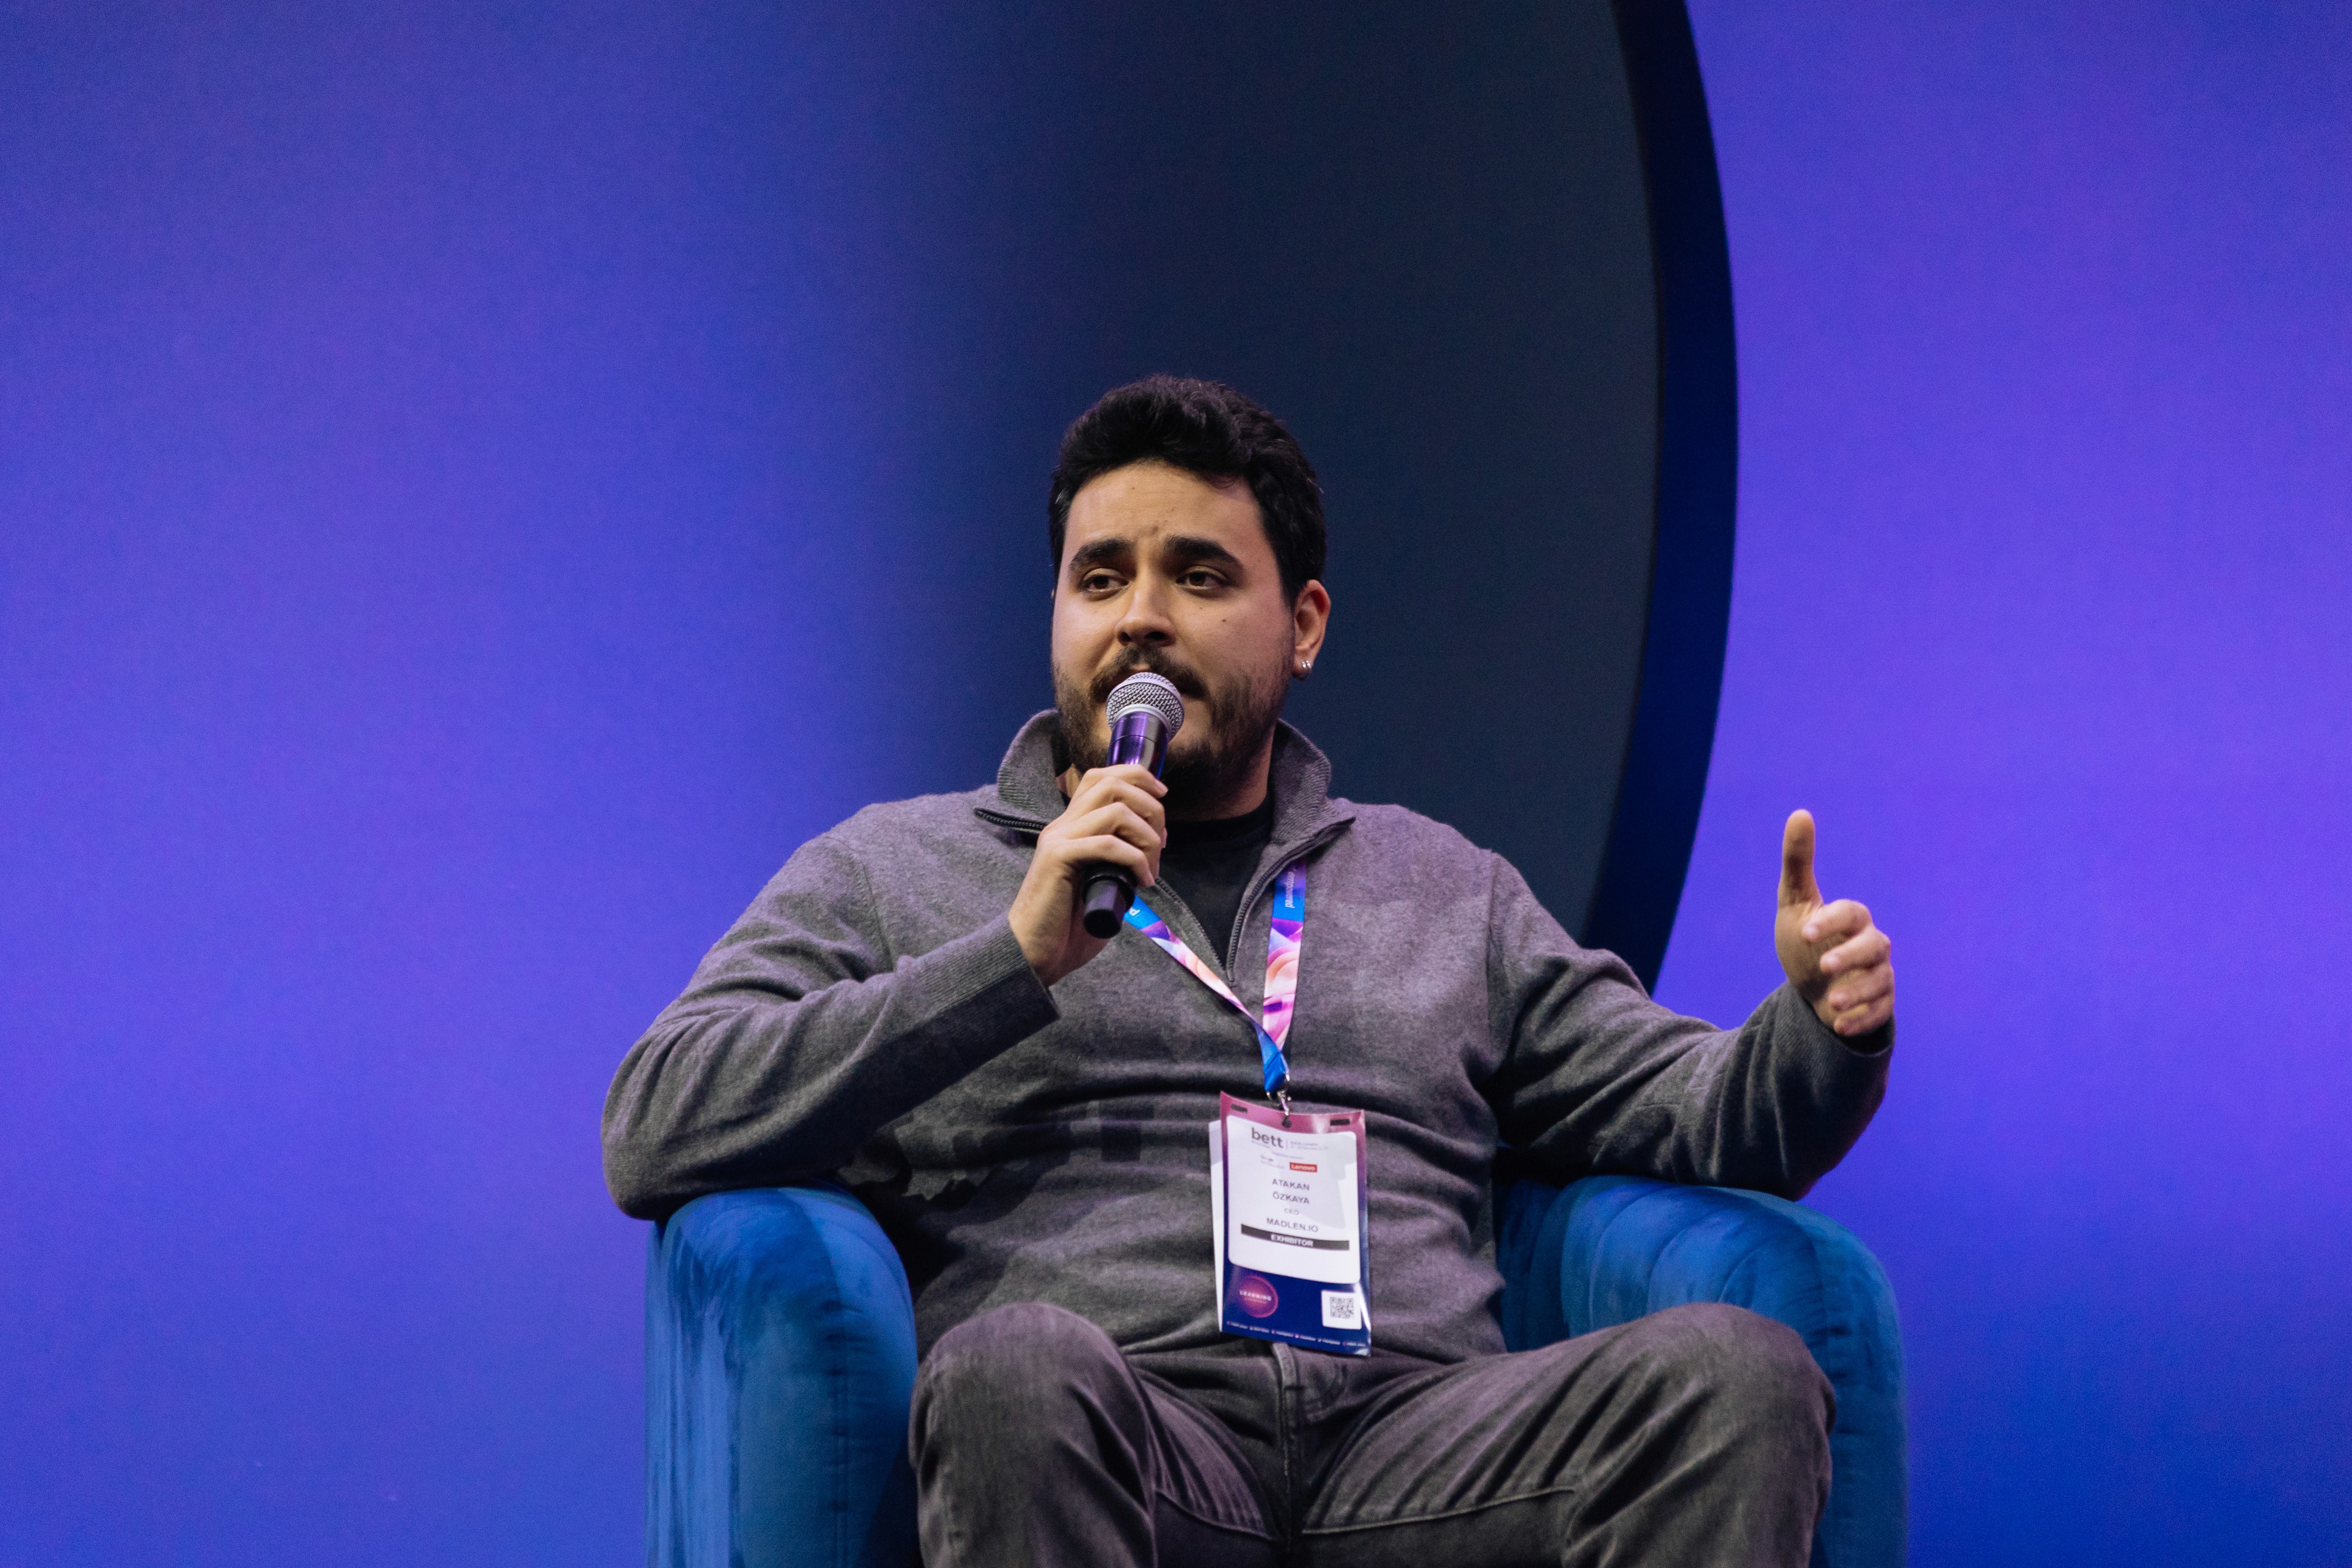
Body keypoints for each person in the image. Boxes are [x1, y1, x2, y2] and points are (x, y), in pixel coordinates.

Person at [602, 375, 1896, 1567]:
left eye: (1200, 575)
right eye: (1100, 579)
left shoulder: (1447, 889)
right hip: (1119, 1429)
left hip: (1420, 1444)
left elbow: (1701, 1111)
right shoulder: (895, 868)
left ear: (1304, 626)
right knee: (1013, 1372)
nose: (1140, 618)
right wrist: (1010, 960)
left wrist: (1820, 1028)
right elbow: (657, 1118)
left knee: (1740, 1376)